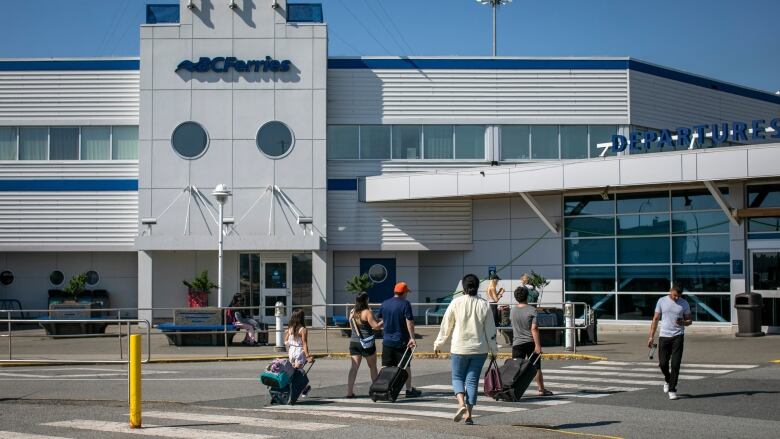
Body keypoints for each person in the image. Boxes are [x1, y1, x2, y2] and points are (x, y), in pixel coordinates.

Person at [434, 274, 498, 425]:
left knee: (457, 378)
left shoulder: (456, 302)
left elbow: (446, 325)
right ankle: (468, 415)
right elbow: (491, 331)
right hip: (479, 348)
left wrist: (438, 343)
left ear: (463, 287)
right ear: (477, 287)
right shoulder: (484, 304)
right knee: (472, 381)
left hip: (459, 347)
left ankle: (461, 404)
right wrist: (494, 351)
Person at [376, 281, 421, 398]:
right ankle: (409, 390)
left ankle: (382, 388)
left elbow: (382, 318)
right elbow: (409, 322)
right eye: (407, 292)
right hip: (401, 341)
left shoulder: (385, 303)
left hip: (387, 341)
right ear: (404, 292)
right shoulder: (405, 304)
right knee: (406, 366)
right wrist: (412, 338)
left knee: (385, 365)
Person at [648, 284, 692, 400]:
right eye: (675, 295)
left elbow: (689, 321)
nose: (677, 298)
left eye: (679, 296)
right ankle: (668, 379)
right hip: (664, 336)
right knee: (663, 363)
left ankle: (672, 389)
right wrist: (651, 337)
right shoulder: (661, 301)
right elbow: (656, 318)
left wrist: (683, 322)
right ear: (670, 291)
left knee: (675, 364)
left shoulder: (684, 303)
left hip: (678, 336)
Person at [510, 286, 553, 396]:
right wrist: (538, 346)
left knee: (516, 368)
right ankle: (541, 389)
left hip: (516, 343)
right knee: (536, 367)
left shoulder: (512, 310)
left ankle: (512, 390)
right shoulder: (532, 310)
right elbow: (534, 329)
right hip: (530, 342)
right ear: (527, 297)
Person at [346, 292, 384, 398]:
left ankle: (349, 392)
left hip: (354, 342)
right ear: (365, 300)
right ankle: (376, 391)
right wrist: (384, 321)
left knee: (354, 368)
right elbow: (375, 326)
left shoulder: (352, 311)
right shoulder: (367, 312)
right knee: (372, 367)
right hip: (367, 343)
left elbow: (351, 326)